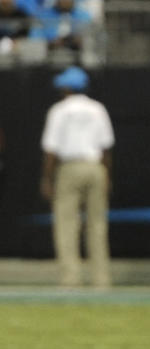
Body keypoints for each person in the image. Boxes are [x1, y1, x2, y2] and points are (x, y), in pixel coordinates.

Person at [40, 66, 113, 288]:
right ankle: (101, 279)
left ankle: (70, 279)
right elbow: (106, 148)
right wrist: (106, 175)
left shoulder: (59, 111)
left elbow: (51, 149)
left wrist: (47, 178)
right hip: (94, 167)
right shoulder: (98, 109)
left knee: (66, 224)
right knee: (97, 225)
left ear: (65, 87)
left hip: (70, 168)